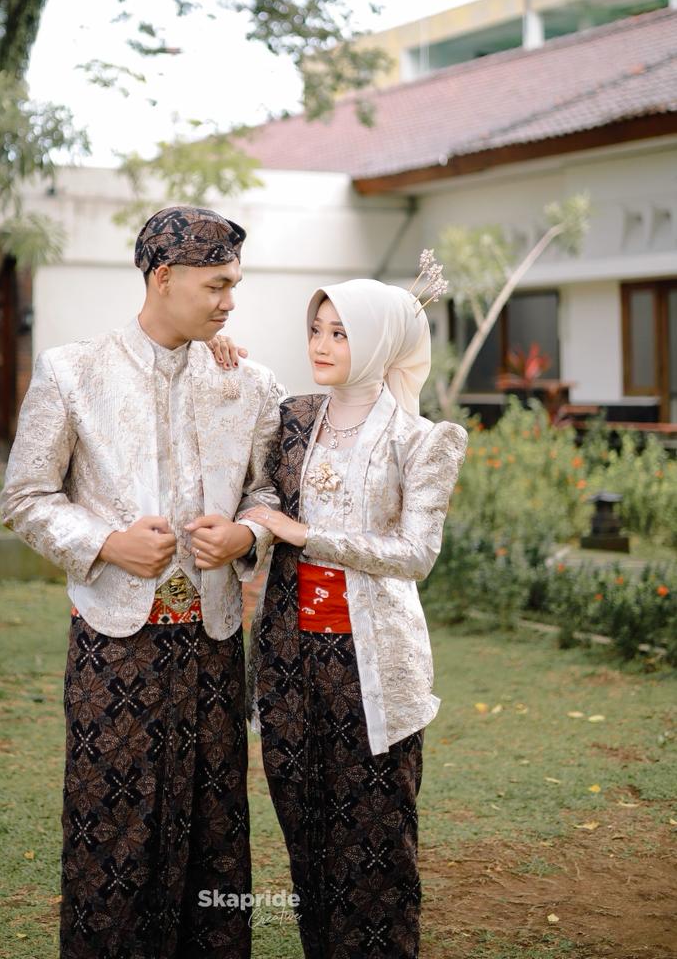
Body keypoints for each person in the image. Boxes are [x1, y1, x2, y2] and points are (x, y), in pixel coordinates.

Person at [0, 205, 284, 959]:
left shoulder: (250, 382)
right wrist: (106, 543)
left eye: (234, 284)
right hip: (113, 645)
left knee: (215, 831)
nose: (230, 302)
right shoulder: (72, 371)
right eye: (217, 285)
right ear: (163, 277)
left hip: (213, 645)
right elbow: (25, 497)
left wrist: (246, 534)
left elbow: (268, 491)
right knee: (112, 834)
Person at [238, 272, 468, 959]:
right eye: (316, 329)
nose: (321, 344)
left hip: (371, 665)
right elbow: (260, 490)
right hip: (289, 657)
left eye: (340, 333)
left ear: (378, 341)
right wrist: (217, 352)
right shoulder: (294, 417)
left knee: (376, 836)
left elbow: (416, 554)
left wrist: (307, 535)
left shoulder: (423, 440)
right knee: (304, 827)